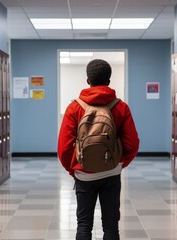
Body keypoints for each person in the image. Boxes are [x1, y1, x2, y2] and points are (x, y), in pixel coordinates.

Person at [57, 59, 140, 240]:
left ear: (88, 80)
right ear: (109, 81)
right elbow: (132, 144)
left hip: (83, 173)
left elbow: (63, 148)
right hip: (111, 172)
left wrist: (74, 170)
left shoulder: (74, 108)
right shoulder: (121, 107)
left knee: (84, 224)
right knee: (111, 225)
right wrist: (118, 164)